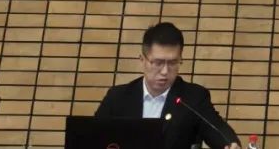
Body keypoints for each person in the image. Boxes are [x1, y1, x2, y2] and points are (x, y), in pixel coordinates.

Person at [95, 22, 241, 149]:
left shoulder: (194, 98)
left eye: (172, 63)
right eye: (158, 63)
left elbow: (218, 130)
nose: (165, 71)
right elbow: (93, 136)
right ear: (142, 60)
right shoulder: (118, 97)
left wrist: (230, 144)